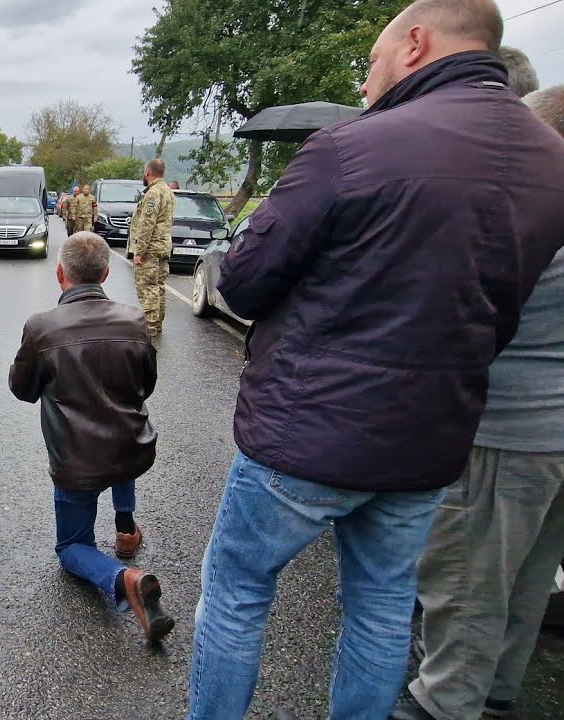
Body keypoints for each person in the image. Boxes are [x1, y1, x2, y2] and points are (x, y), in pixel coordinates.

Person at [184, 1, 564, 718]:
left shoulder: (355, 146)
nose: (366, 84)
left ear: (415, 43)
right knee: (384, 608)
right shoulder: (551, 160)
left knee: (237, 590)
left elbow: (242, 280)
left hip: (308, 431)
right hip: (432, 440)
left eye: (372, 63)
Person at [395, 84, 564, 720]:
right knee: (529, 575)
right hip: (557, 434)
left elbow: (459, 315)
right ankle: (497, 691)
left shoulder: (528, 214)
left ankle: (443, 703)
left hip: (507, 431)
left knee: (469, 582)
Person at [8, 231, 173, 644]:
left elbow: (22, 390)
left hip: (76, 462)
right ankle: (124, 525)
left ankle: (122, 579)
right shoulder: (135, 320)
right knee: (117, 433)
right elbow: (145, 385)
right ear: (103, 272)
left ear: (61, 273)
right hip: (131, 449)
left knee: (71, 547)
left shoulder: (42, 327)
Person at [127, 161, 176, 338]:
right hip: (163, 246)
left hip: (150, 248)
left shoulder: (153, 193)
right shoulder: (168, 192)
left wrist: (139, 252)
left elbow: (147, 224)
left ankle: (151, 326)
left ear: (148, 172)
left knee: (147, 287)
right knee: (159, 286)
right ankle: (158, 322)